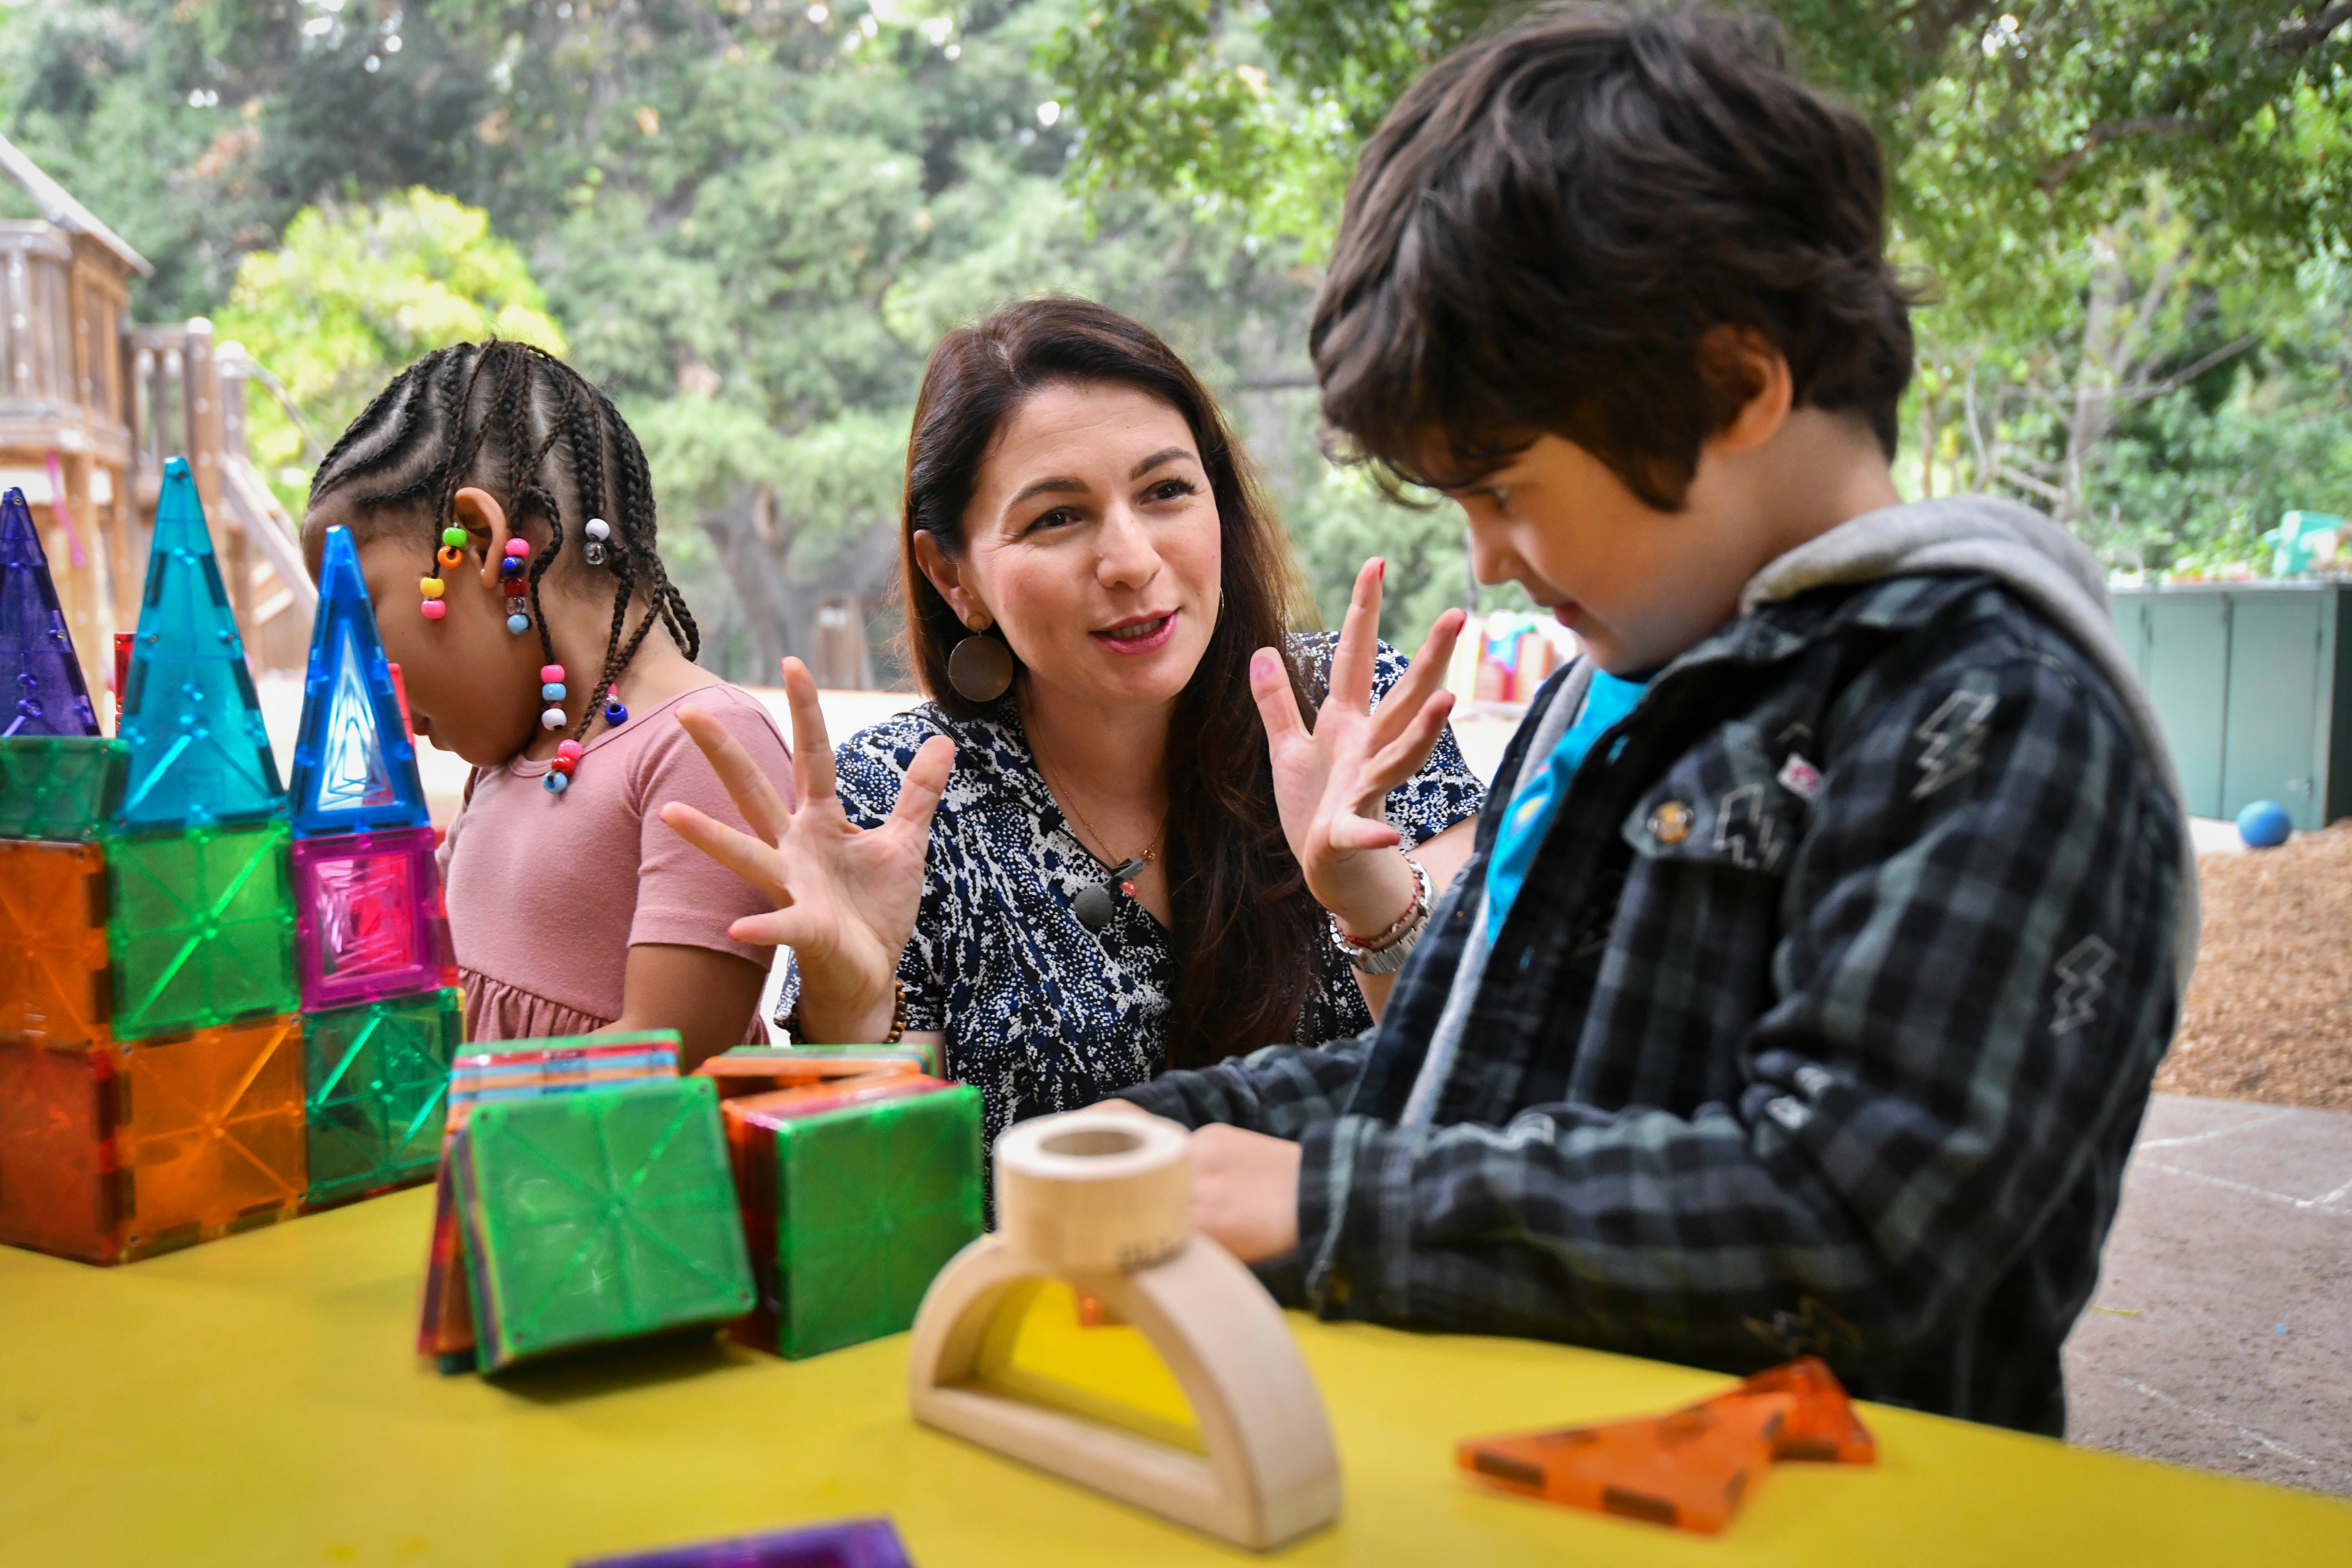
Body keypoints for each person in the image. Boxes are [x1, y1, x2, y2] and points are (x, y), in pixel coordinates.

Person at [1100, 6, 2198, 1436]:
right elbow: (1483, 1082)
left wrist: (1326, 1199)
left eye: (1503, 490)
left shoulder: (1987, 707)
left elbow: (1845, 1222)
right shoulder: (1611, 678)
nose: (1486, 559)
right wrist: (1188, 1137)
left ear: (1733, 385)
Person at [661, 298, 1485, 1155]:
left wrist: (1371, 898)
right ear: (954, 578)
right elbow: (876, 1207)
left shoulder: (1353, 715)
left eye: (1166, 491)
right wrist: (856, 1017)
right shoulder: (899, 801)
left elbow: (1494, 1081)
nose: (1131, 562)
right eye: (1058, 517)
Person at [301, 340, 794, 1059]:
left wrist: (432, 1095)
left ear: (471, 543)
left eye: (362, 616)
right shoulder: (501, 765)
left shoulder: (704, 745)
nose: (359, 681)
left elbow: (664, 1057)